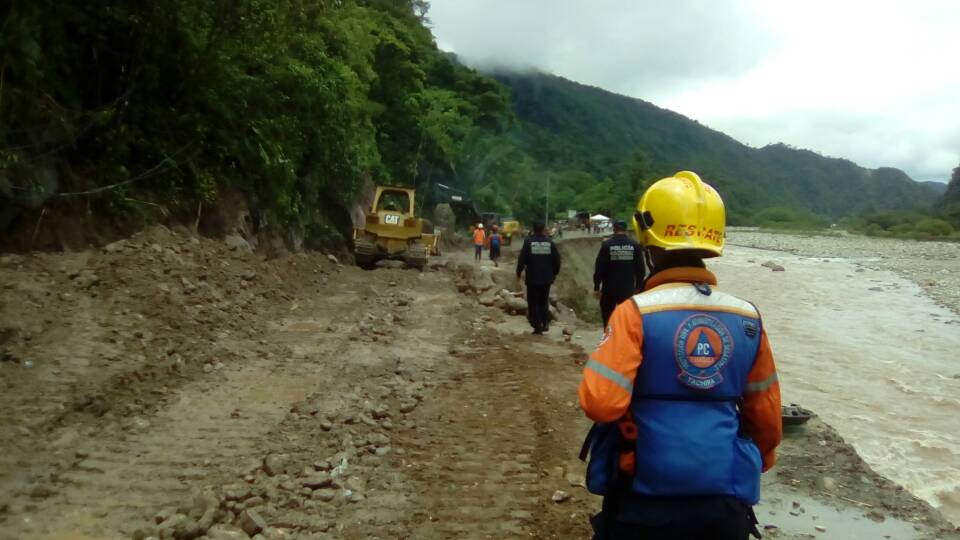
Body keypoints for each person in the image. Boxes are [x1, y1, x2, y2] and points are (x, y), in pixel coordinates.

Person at [578, 171, 782, 540]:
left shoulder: (635, 313)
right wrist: (762, 458)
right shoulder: (748, 318)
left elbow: (601, 403)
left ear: (647, 237)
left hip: (642, 500)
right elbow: (765, 414)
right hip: (721, 505)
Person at [593, 220, 645, 328]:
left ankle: (608, 339)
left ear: (614, 229)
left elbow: (599, 268)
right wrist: (638, 287)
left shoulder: (607, 245)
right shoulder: (634, 245)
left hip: (609, 289)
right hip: (627, 289)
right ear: (625, 230)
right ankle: (624, 340)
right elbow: (640, 269)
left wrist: (597, 287)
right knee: (626, 317)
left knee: (608, 317)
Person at [516, 221, 561, 335]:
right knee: (543, 301)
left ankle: (537, 326)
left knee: (533, 301)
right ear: (543, 229)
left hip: (533, 277)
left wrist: (518, 272)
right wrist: (554, 274)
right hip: (546, 278)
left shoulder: (528, 242)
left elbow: (522, 259)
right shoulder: (549, 242)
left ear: (533, 229)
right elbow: (557, 260)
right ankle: (545, 322)